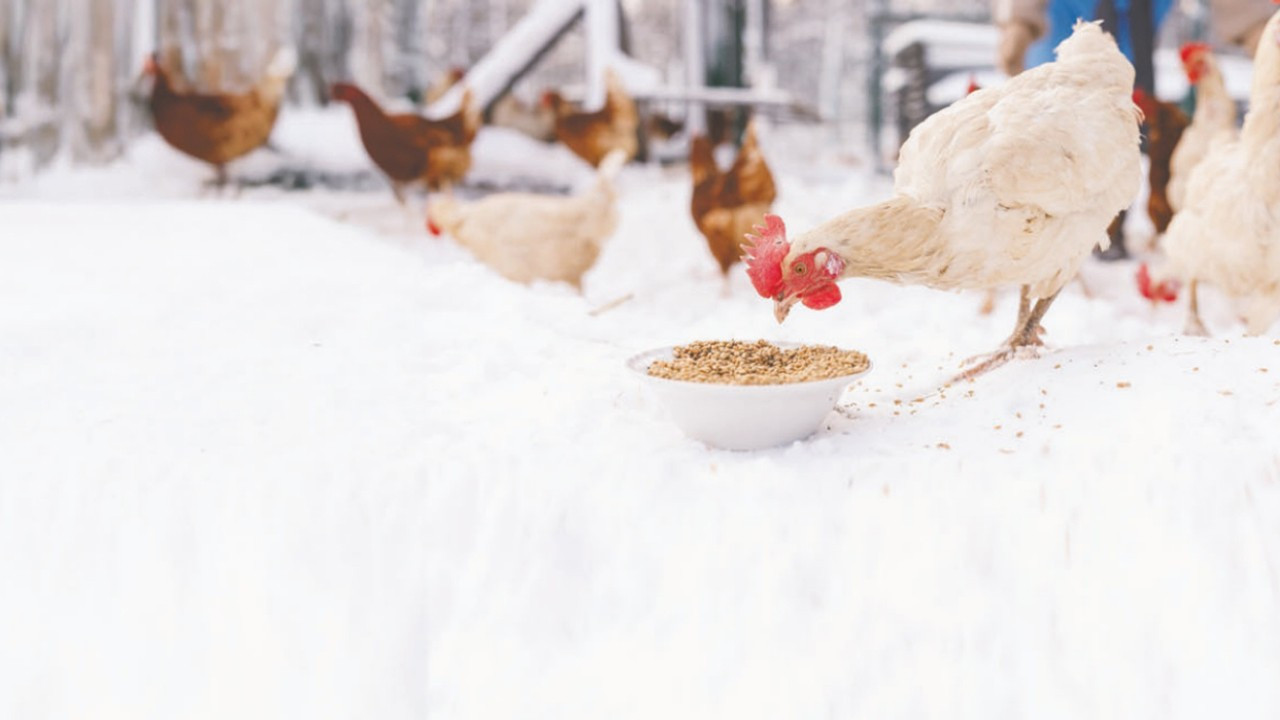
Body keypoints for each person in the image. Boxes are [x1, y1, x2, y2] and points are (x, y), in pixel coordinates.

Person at [992, 0, 1274, 259]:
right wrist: (1019, 21)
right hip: (1061, 23)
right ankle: (1040, 236)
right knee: (1052, 135)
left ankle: (1106, 227)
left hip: (1135, 24)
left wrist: (1253, 26)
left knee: (1125, 123)